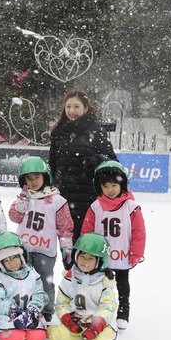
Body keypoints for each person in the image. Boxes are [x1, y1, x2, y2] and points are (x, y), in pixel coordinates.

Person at [81, 161, 146, 330]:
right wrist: (85, 251)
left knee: (122, 284)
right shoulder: (96, 207)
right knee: (99, 284)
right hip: (101, 256)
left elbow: (139, 231)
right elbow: (87, 231)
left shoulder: (130, 206)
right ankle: (100, 311)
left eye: (114, 185)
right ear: (99, 186)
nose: (110, 190)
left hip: (122, 254)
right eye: (106, 185)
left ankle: (123, 312)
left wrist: (136, 253)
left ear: (122, 185)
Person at [8, 156, 74, 322]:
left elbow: (65, 226)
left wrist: (66, 248)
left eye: (37, 177)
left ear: (46, 177)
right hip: (24, 250)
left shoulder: (57, 200)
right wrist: (22, 202)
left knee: (45, 281)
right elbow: (14, 217)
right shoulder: (24, 197)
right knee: (22, 279)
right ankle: (22, 305)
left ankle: (46, 310)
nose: (33, 181)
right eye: (29, 178)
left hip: (46, 251)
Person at [49, 90, 117, 243]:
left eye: (76, 106)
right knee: (66, 244)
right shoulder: (58, 132)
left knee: (85, 244)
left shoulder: (96, 130)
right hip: (63, 198)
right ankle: (69, 268)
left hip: (88, 198)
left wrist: (96, 160)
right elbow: (52, 165)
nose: (71, 111)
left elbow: (112, 161)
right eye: (68, 106)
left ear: (86, 108)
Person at [48, 233, 118, 340]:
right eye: (82, 256)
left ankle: (91, 337)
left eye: (91, 258)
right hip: (75, 320)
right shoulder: (70, 278)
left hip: (98, 322)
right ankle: (52, 330)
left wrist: (99, 322)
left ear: (100, 262)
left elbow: (108, 307)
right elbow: (61, 304)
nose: (85, 261)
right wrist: (67, 318)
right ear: (76, 256)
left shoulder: (104, 283)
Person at [0, 232, 49, 340]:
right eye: (6, 260)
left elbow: (40, 294)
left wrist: (33, 309)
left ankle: (29, 322)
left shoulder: (33, 274)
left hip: (30, 314)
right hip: (8, 314)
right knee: (16, 337)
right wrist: (13, 311)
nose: (11, 263)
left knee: (37, 337)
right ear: (0, 263)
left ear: (22, 256)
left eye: (14, 257)